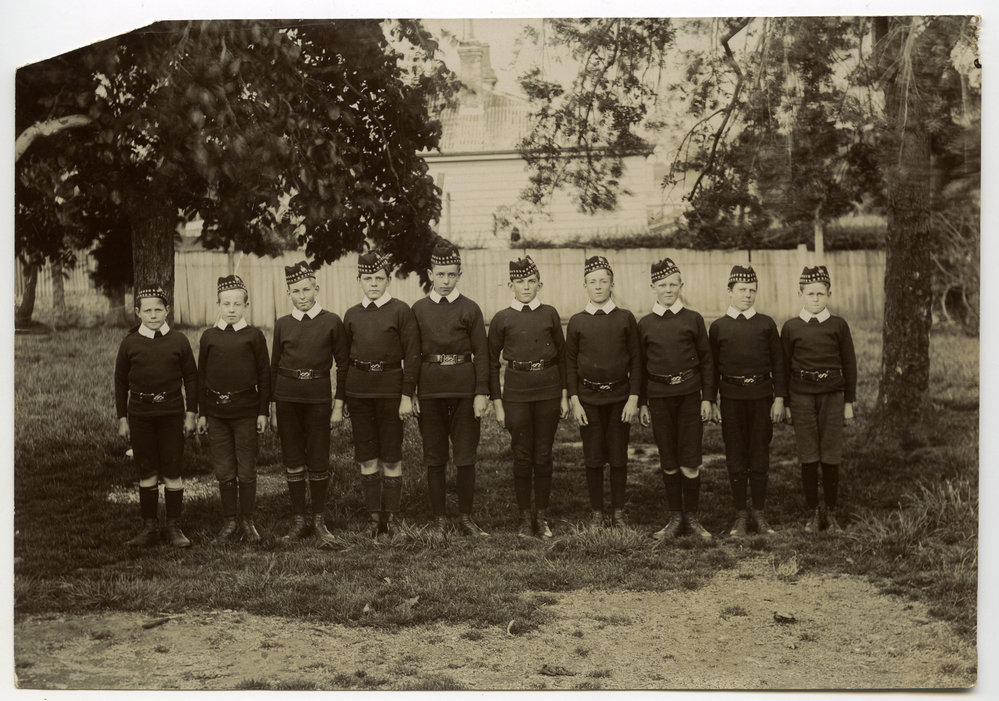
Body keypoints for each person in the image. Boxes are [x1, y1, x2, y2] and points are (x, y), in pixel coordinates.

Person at [411, 238, 490, 536]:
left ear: (459, 274)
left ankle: (466, 518)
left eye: (451, 274)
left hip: (464, 391)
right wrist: (413, 393)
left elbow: (482, 353)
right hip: (430, 391)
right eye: (440, 274)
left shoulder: (470, 309)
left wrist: (481, 392)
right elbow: (412, 353)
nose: (445, 280)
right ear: (430, 273)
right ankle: (439, 520)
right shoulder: (418, 310)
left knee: (465, 455)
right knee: (435, 456)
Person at [342, 250, 421, 541]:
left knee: (391, 455)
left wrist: (405, 395)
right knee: (367, 456)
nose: (373, 284)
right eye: (367, 278)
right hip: (360, 392)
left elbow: (412, 355)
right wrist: (347, 397)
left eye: (379, 278)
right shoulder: (351, 315)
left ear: (388, 279)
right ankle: (374, 518)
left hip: (390, 391)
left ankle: (394, 517)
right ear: (359, 280)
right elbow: (345, 358)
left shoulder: (401, 311)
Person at [487, 256, 569, 538]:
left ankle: (542, 517)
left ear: (539, 284)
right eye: (520, 282)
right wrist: (498, 403)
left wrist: (564, 395)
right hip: (516, 393)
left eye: (531, 281)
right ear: (511, 284)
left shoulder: (549, 314)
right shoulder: (502, 318)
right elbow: (491, 362)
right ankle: (524, 519)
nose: (526, 287)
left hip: (548, 390)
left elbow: (563, 355)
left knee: (543, 454)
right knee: (522, 455)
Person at [270, 260, 349, 548]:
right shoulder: (283, 324)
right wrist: (273, 406)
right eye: (295, 291)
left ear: (316, 288)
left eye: (306, 289)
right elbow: (274, 365)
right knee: (292, 460)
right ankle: (298, 520)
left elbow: (343, 364)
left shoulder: (331, 321)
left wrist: (338, 402)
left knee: (317, 459)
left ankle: (318, 519)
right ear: (288, 292)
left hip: (317, 398)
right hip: (287, 398)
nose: (302, 296)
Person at [114, 282, 198, 548]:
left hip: (171, 413)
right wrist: (122, 418)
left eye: (158, 310)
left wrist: (191, 413)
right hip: (140, 415)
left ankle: (173, 527)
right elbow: (120, 382)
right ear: (138, 312)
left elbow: (192, 378)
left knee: (173, 471)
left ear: (167, 310)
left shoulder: (179, 341)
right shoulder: (130, 343)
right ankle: (149, 527)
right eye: (147, 310)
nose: (153, 315)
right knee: (147, 471)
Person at [637, 257, 714, 541]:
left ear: (681, 285)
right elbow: (640, 366)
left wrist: (707, 397)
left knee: (690, 458)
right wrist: (643, 401)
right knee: (668, 457)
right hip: (659, 397)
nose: (668, 289)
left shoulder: (693, 319)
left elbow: (706, 361)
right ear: (653, 286)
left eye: (673, 284)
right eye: (662, 284)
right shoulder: (644, 324)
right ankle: (674, 518)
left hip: (690, 396)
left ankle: (692, 518)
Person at [708, 264, 786, 538]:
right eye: (742, 290)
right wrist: (712, 400)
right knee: (736, 455)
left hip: (761, 397)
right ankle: (741, 514)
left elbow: (778, 364)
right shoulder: (718, 327)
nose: (748, 295)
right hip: (731, 398)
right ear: (729, 292)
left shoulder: (766, 323)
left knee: (759, 453)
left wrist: (779, 399)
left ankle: (760, 514)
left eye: (752, 290)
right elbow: (712, 368)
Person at [565, 255, 641, 528]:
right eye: (592, 281)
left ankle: (618, 512)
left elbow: (636, 360)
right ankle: (597, 512)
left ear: (612, 283)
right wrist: (575, 399)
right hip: (589, 399)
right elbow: (570, 364)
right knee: (594, 457)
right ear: (584, 284)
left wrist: (633, 397)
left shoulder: (625, 318)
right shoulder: (576, 321)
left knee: (618, 456)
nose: (598, 286)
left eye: (603, 281)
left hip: (620, 398)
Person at [781, 265, 857, 533]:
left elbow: (849, 363)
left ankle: (832, 513)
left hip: (833, 396)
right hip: (801, 396)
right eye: (810, 293)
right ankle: (814, 513)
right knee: (809, 454)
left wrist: (849, 402)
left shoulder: (838, 325)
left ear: (829, 294)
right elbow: (784, 366)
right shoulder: (791, 327)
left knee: (831, 453)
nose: (815, 298)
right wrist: (787, 402)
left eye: (821, 293)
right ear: (800, 293)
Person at [196, 275, 270, 544]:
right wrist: (202, 413)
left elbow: (264, 375)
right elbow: (201, 376)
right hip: (216, 413)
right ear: (218, 304)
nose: (230, 309)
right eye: (226, 303)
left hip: (246, 411)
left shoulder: (254, 336)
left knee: (246, 466)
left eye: (237, 304)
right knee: (224, 467)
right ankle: (229, 521)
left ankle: (247, 520)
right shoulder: (209, 337)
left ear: (245, 305)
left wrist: (263, 411)